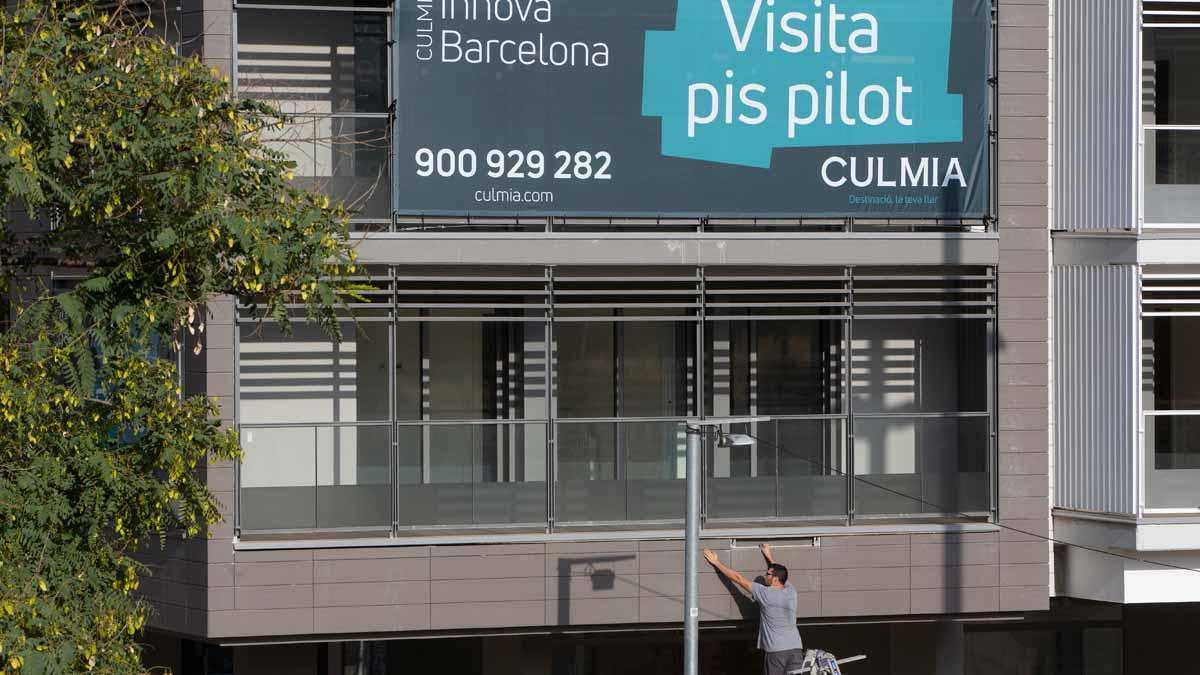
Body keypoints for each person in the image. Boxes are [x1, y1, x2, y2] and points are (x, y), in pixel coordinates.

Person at [703, 543, 804, 675]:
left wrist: (716, 562)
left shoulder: (765, 594)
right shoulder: (791, 591)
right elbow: (781, 573)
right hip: (796, 650)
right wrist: (768, 555)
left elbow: (738, 578)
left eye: (767, 574)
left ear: (774, 580)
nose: (764, 576)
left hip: (776, 651)